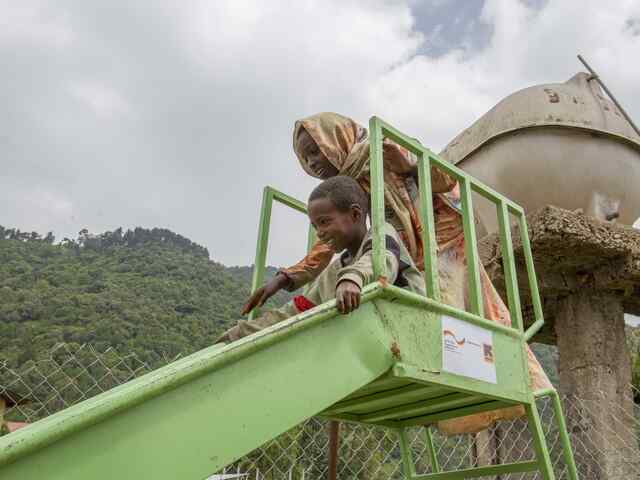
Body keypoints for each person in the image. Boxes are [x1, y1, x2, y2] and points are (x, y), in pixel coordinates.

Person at [241, 112, 551, 434]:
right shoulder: (345, 190)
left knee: (454, 320)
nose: (312, 162)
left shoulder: (383, 148)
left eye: (315, 150)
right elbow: (331, 241)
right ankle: (436, 384)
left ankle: (483, 380)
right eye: (305, 158)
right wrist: (286, 277)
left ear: (335, 141)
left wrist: (410, 166)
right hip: (400, 251)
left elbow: (449, 180)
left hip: (440, 241)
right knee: (391, 286)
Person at [216, 176, 425, 343]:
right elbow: (295, 312)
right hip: (369, 338)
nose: (320, 233)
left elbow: (381, 261)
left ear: (355, 214)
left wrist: (352, 278)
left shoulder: (382, 235)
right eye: (315, 227)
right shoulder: (334, 272)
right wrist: (240, 334)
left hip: (411, 327)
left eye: (324, 222)